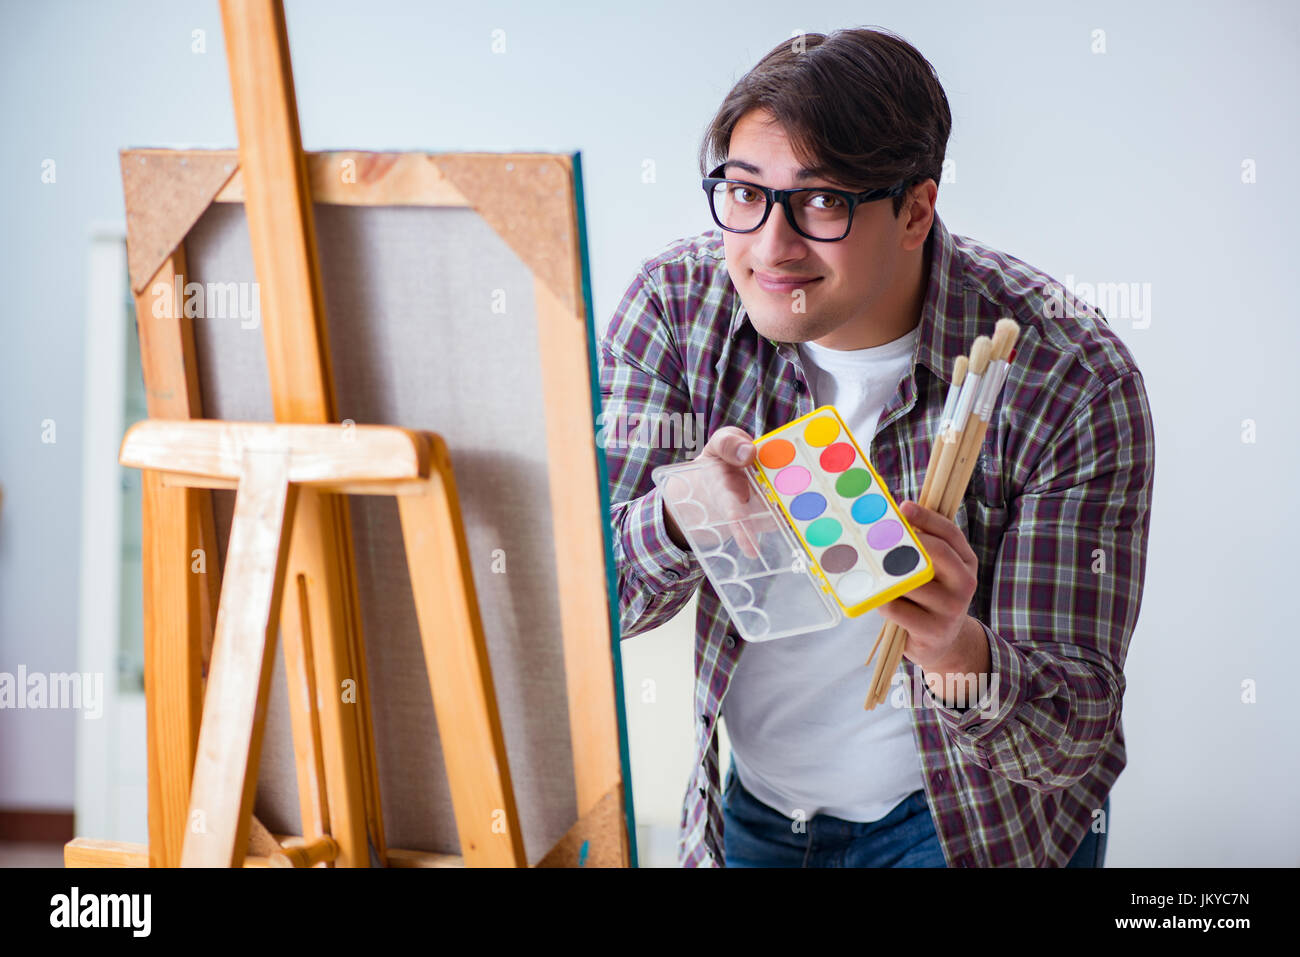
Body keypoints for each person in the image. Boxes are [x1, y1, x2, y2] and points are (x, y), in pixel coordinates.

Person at [599, 27, 1154, 867]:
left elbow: (1067, 741)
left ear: (916, 210)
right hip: (748, 808)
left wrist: (955, 650)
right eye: (745, 193)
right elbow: (595, 601)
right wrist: (676, 514)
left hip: (973, 819)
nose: (771, 247)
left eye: (822, 202)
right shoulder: (676, 312)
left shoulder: (1065, 374)